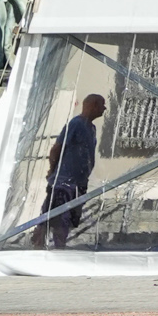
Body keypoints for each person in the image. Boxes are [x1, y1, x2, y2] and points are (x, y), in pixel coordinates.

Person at [39, 93, 103, 248]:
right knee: (55, 216)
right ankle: (44, 244)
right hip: (64, 182)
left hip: (78, 183)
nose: (104, 109)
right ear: (93, 105)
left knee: (70, 218)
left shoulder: (91, 128)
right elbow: (57, 148)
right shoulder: (76, 124)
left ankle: (59, 244)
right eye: (102, 105)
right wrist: (52, 170)